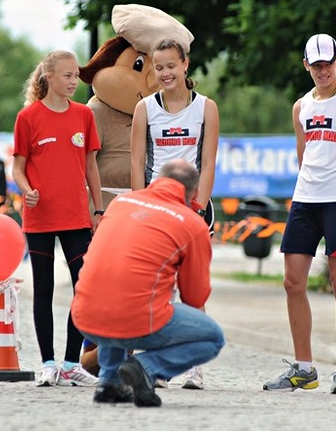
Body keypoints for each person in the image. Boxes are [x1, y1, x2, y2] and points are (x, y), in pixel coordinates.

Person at [262, 34, 336, 395]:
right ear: (306, 65)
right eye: (316, 64)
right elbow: (303, 157)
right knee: (292, 281)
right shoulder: (301, 107)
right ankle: (304, 368)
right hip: (305, 199)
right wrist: (304, 193)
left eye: (328, 62)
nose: (323, 70)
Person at [71, 159, 225, 407]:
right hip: (134, 319)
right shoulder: (192, 223)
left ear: (156, 181)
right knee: (213, 338)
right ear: (194, 193)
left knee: (120, 295)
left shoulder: (120, 203)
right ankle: (145, 367)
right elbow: (195, 298)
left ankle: (109, 381)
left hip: (83, 315)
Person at [130, 38, 220, 390]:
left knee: (192, 288)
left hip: (193, 206)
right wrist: (140, 203)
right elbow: (136, 162)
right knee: (154, 289)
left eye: (171, 65)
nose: (165, 73)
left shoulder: (206, 108)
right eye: (159, 67)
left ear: (185, 65)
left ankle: (193, 366)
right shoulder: (145, 109)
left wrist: (198, 205)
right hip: (155, 206)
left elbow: (210, 161)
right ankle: (156, 364)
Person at [12, 50, 104, 387]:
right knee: (44, 288)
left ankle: (70, 363)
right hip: (40, 217)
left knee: (85, 287)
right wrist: (27, 190)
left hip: (77, 216)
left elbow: (91, 164)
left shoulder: (83, 115)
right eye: (66, 75)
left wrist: (98, 208)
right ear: (48, 77)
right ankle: (48, 363)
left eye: (75, 76)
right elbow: (17, 168)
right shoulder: (28, 117)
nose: (73, 81)